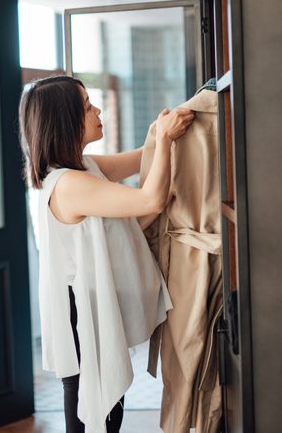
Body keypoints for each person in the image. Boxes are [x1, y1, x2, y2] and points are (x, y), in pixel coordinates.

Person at [19, 75, 194, 433]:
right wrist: (162, 138)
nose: (97, 110)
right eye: (86, 106)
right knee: (95, 406)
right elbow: (150, 200)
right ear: (65, 121)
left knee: (102, 405)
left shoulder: (85, 168)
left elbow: (141, 162)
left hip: (88, 301)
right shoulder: (68, 185)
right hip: (81, 309)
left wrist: (162, 132)